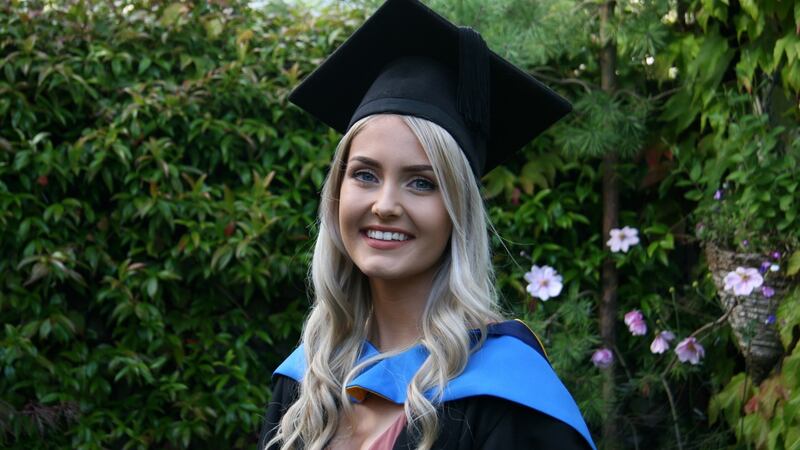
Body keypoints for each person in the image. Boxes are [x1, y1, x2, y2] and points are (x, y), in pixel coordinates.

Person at [258, 0, 597, 449]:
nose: (385, 205)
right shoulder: (305, 386)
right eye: (364, 174)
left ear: (459, 209)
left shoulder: (509, 402)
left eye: (421, 182)